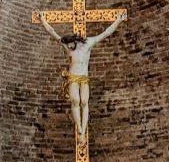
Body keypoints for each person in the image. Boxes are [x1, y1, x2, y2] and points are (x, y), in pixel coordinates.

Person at [39, 10, 126, 140]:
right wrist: (42, 20)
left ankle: (83, 130)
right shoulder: (67, 45)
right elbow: (52, 32)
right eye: (67, 46)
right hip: (73, 77)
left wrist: (118, 20)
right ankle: (79, 127)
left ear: (75, 41)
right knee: (75, 101)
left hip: (84, 78)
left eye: (70, 46)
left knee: (84, 102)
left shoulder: (88, 43)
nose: (68, 48)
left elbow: (106, 33)